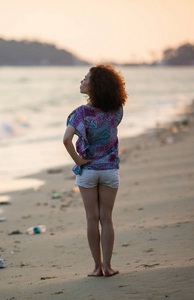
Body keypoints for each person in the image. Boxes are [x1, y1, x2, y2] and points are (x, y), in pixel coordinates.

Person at [63, 64, 127, 277]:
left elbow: (66, 140)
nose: (81, 81)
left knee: (92, 218)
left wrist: (79, 161)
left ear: (95, 85)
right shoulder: (116, 111)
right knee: (106, 218)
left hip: (88, 171)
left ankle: (96, 268)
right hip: (109, 169)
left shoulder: (81, 113)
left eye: (85, 78)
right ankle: (109, 267)